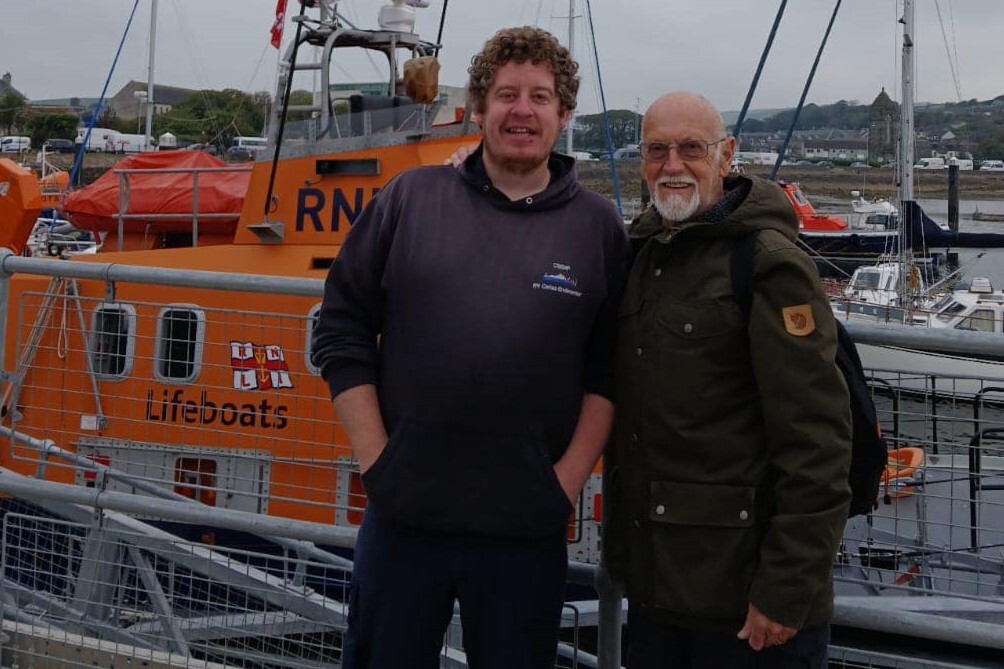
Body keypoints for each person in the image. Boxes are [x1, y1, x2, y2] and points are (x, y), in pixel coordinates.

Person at [310, 26, 629, 669]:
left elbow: (611, 370)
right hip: (403, 517)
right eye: (506, 94)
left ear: (564, 115)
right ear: (478, 109)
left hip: (525, 526)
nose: (522, 110)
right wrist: (378, 461)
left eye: (540, 97)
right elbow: (341, 327)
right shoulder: (409, 198)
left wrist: (563, 485)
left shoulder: (598, 227)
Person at [604, 92, 852, 669]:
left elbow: (817, 442)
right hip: (658, 592)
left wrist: (786, 592)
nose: (672, 165)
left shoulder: (768, 262)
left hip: (748, 610)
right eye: (656, 149)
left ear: (726, 156)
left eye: (691, 148)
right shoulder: (639, 255)